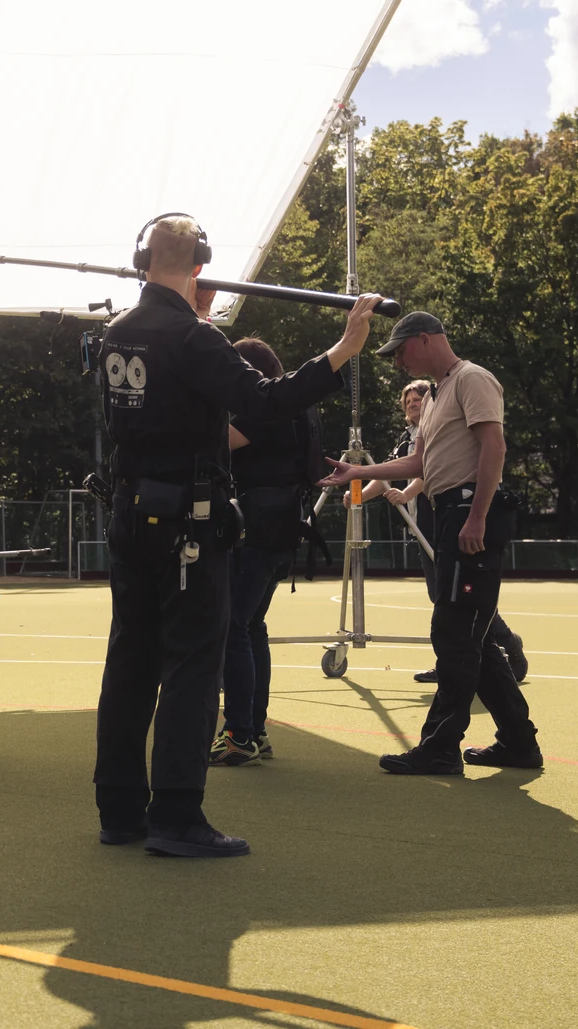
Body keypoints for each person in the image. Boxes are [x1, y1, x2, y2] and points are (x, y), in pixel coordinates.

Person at [95, 216, 382, 856]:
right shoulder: (193, 338)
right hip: (189, 524)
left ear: (143, 257)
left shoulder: (117, 333)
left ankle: (119, 810)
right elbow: (265, 401)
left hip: (130, 515)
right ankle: (175, 815)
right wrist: (341, 352)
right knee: (194, 666)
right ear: (199, 263)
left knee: (130, 663)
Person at [321, 312, 542, 774]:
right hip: (451, 514)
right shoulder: (440, 392)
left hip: (466, 512)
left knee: (453, 634)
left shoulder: (471, 379)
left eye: (401, 350)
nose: (397, 360)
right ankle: (519, 743)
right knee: (470, 638)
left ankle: (440, 747)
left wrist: (477, 516)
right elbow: (420, 461)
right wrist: (360, 473)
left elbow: (493, 448)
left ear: (425, 340)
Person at [353, 378, 528, 686]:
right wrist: (355, 495)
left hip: (445, 518)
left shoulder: (439, 429)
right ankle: (453, 662)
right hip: (424, 526)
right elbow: (392, 469)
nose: (412, 405)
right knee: (441, 596)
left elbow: (425, 469)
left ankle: (507, 646)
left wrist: (406, 494)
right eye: (407, 402)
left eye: (417, 400)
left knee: (460, 595)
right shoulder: (408, 436)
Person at [211, 337, 322, 768]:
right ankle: (253, 730)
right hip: (285, 526)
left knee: (234, 626)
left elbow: (220, 442)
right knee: (252, 626)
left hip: (257, 526)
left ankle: (240, 734)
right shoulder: (299, 405)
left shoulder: (265, 405)